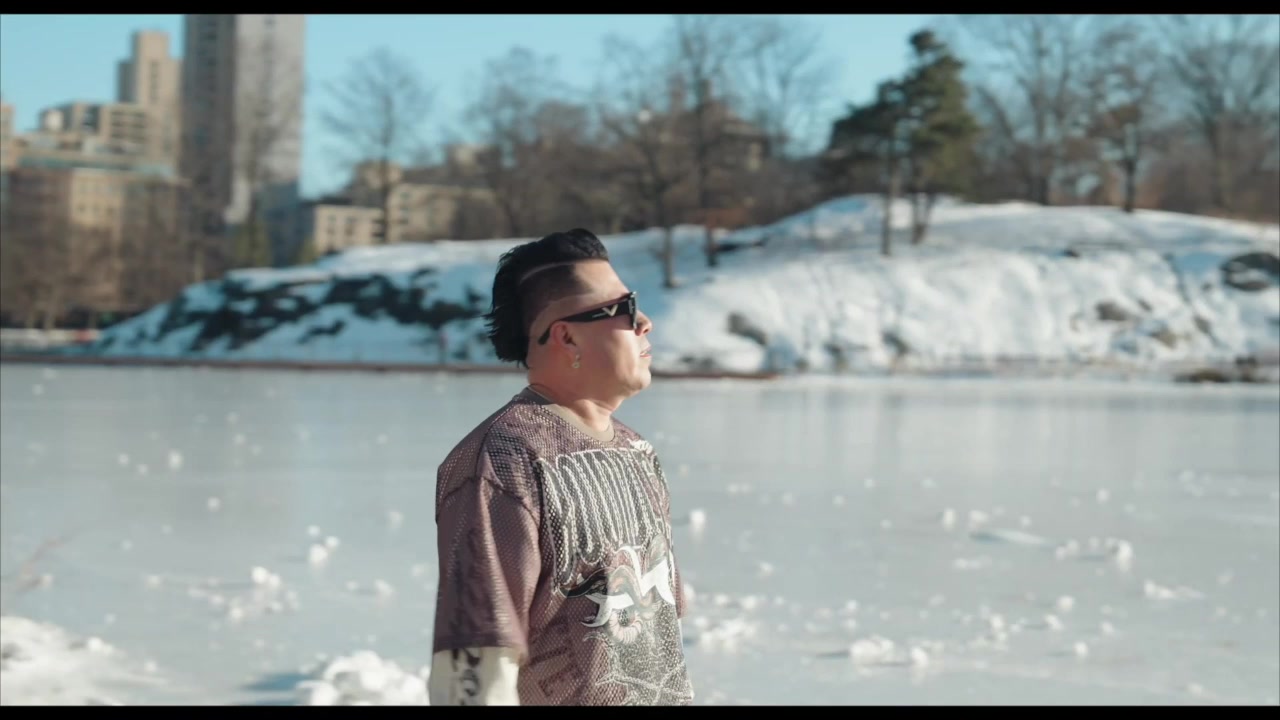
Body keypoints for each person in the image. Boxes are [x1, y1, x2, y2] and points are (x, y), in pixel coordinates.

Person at [427, 228, 693, 706]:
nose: (645, 322)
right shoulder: (501, 461)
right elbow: (475, 664)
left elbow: (661, 626)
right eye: (625, 308)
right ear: (566, 336)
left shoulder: (637, 452)